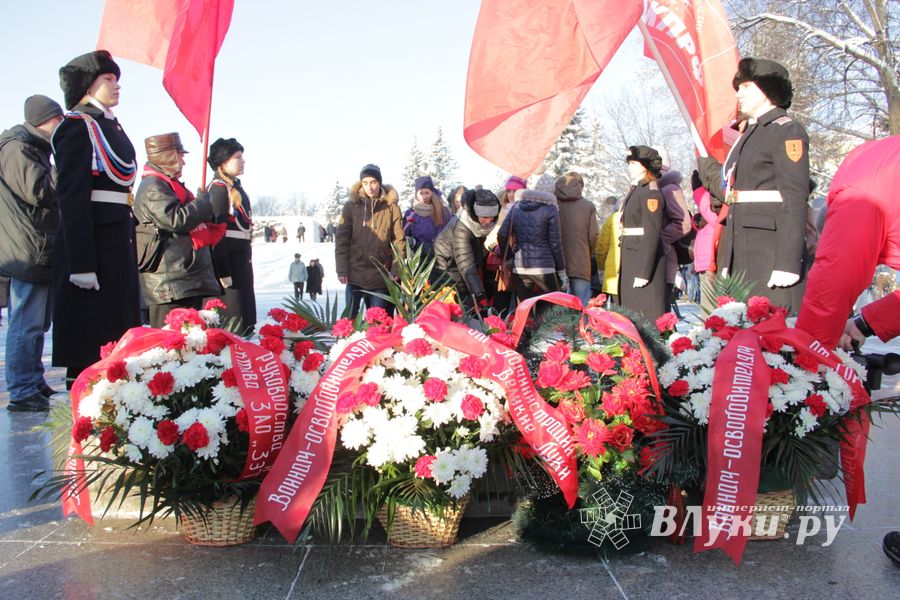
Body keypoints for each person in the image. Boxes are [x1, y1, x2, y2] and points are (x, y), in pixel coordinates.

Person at [52, 50, 140, 387]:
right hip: (94, 246)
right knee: (91, 341)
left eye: (117, 79)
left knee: (117, 334)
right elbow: (72, 199)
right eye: (108, 79)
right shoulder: (77, 127)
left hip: (117, 237)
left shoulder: (107, 125)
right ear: (88, 85)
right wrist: (81, 264)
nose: (116, 86)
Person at [698, 57, 810, 314]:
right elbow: (731, 189)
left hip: (768, 250)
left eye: (747, 86)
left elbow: (794, 196)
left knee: (773, 335)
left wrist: (788, 262)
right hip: (742, 246)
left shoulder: (786, 131)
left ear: (768, 89)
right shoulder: (749, 135)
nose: (739, 94)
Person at [796, 135, 899, 351]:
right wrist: (864, 325)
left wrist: (810, 353)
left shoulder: (860, 193)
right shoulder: (877, 166)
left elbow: (834, 276)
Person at [0, 95, 63, 411]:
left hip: (37, 245)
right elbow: (39, 192)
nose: (61, 127)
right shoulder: (17, 148)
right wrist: (64, 163)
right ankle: (22, 390)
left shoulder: (32, 148)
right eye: (58, 120)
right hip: (27, 249)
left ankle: (33, 380)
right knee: (26, 322)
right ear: (44, 121)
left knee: (37, 323)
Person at [133, 133, 227, 328]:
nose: (184, 161)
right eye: (180, 155)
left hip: (183, 278)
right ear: (167, 156)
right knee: (171, 347)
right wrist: (204, 202)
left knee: (191, 346)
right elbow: (176, 219)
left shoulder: (169, 185)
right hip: (170, 281)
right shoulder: (153, 186)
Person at [335, 164, 404, 318]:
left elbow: (398, 241)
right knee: (350, 320)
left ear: (379, 183)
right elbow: (341, 240)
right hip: (354, 273)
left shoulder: (391, 208)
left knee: (378, 322)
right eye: (365, 183)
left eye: (373, 182)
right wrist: (342, 269)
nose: (370, 187)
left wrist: (395, 269)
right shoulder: (351, 206)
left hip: (379, 275)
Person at [208, 137, 256, 335]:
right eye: (238, 157)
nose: (243, 161)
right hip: (229, 264)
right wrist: (223, 270)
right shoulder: (219, 190)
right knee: (233, 321)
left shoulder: (236, 187)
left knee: (245, 317)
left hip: (241, 261)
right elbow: (216, 234)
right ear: (224, 162)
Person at [496, 173, 567, 302]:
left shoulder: (516, 207)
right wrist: (562, 271)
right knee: (555, 309)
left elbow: (502, 234)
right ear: (550, 191)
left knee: (524, 311)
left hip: (520, 267)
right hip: (544, 267)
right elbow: (555, 243)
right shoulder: (551, 209)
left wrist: (511, 257)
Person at [617, 146, 666, 323]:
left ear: (645, 165)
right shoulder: (637, 189)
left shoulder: (650, 191)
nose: (629, 167)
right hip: (631, 254)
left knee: (645, 314)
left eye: (633, 163)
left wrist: (644, 271)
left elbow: (651, 233)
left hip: (641, 257)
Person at [433, 189, 501, 311]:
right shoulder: (461, 228)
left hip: (464, 262)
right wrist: (480, 294)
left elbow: (476, 250)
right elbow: (466, 265)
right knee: (461, 300)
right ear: (475, 213)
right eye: (485, 217)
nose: (488, 221)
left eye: (492, 217)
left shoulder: (478, 225)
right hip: (447, 265)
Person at [654, 147, 691, 319]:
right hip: (658, 257)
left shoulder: (669, 189)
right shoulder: (655, 189)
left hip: (666, 256)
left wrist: (660, 238)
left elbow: (683, 223)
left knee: (663, 313)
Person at [555, 171, 599, 305]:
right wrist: (587, 252)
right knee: (581, 307)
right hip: (581, 261)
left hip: (557, 263)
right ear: (581, 186)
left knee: (558, 310)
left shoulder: (553, 204)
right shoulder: (588, 206)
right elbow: (594, 236)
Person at [403, 176, 450, 258]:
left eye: (427, 193)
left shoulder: (443, 211)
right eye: (421, 193)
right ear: (416, 194)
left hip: (439, 257)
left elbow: (448, 234)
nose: (424, 197)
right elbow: (406, 234)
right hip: (417, 258)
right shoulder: (410, 213)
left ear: (432, 193)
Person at [595, 208, 623, 305]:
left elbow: (602, 247)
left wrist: (602, 268)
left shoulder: (613, 218)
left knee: (616, 313)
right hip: (636, 276)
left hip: (613, 274)